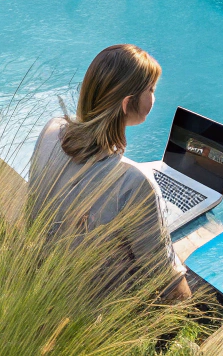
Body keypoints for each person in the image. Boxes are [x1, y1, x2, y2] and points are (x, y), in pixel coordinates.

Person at [27, 44, 191, 298]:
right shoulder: (133, 182)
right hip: (94, 312)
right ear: (127, 104)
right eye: (150, 90)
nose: (153, 97)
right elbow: (171, 288)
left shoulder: (52, 130)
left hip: (42, 280)